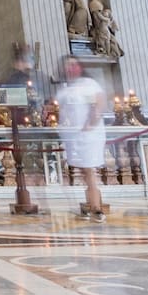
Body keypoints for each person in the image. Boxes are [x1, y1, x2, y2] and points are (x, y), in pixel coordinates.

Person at [54, 58, 108, 221]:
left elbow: (99, 103)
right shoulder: (65, 88)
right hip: (71, 134)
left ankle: (96, 208)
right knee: (84, 171)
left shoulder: (89, 84)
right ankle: (91, 202)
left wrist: (91, 123)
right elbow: (60, 109)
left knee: (89, 170)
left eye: (73, 65)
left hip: (88, 133)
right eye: (66, 66)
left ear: (79, 67)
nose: (70, 69)